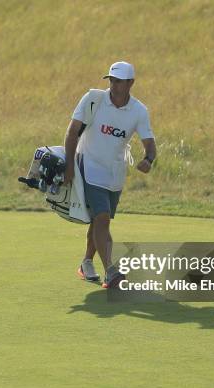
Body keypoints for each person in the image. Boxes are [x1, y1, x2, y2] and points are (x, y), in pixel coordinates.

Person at [64, 61, 156, 288]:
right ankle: (111, 272)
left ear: (130, 83)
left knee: (98, 221)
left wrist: (148, 160)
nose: (114, 85)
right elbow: (73, 131)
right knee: (102, 217)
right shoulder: (94, 99)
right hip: (89, 166)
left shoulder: (139, 111)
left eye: (119, 81)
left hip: (115, 174)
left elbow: (149, 143)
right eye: (111, 80)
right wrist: (68, 165)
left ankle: (86, 263)